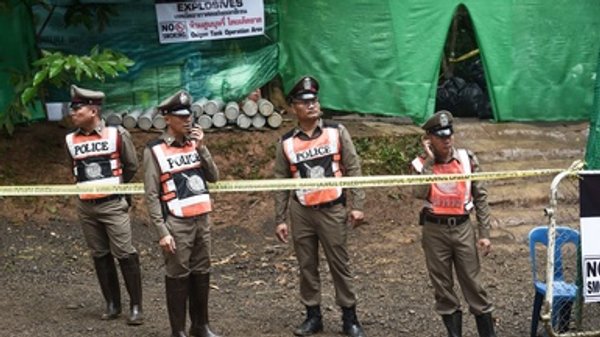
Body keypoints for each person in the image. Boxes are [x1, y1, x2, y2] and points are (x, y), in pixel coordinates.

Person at [273, 76, 367, 337]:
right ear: (294, 108)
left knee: (340, 264)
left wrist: (357, 204)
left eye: (314, 100)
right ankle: (313, 316)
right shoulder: (287, 142)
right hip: (301, 211)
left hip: (333, 208)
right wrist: (280, 218)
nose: (311, 105)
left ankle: (350, 318)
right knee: (306, 265)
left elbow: (354, 167)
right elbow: (281, 180)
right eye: (304, 102)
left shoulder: (337, 132)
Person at [411, 110, 496, 337]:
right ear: (429, 139)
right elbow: (418, 193)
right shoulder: (420, 164)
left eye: (449, 134)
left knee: (474, 285)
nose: (447, 140)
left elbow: (480, 196)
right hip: (434, 230)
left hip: (462, 228)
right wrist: (429, 162)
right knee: (443, 288)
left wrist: (484, 233)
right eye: (440, 136)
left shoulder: (467, 160)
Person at [143, 90, 221, 337]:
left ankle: (201, 326)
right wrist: (162, 231)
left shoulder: (194, 144)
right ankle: (178, 331)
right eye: (180, 116)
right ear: (167, 118)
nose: (187, 120)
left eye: (189, 115)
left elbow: (214, 177)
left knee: (201, 271)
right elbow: (151, 194)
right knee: (177, 275)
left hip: (201, 219)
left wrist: (203, 148)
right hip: (176, 222)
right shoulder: (155, 150)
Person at [65, 85, 143, 325]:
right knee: (99, 254)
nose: (72, 113)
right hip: (86, 207)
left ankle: (136, 306)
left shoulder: (117, 134)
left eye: (77, 108)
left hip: (112, 204)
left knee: (125, 252)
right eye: (72, 108)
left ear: (93, 110)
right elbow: (74, 169)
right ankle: (112, 304)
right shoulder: (70, 139)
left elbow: (131, 166)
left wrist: (115, 188)